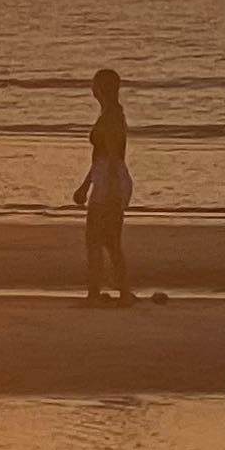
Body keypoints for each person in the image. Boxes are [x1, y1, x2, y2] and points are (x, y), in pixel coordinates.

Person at [76, 67, 135, 304]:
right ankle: (121, 291)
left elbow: (110, 156)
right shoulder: (111, 114)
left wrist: (105, 190)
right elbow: (101, 156)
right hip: (104, 179)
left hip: (108, 182)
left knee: (97, 239)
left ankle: (96, 292)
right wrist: (85, 185)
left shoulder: (112, 117)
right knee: (109, 242)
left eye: (95, 85)